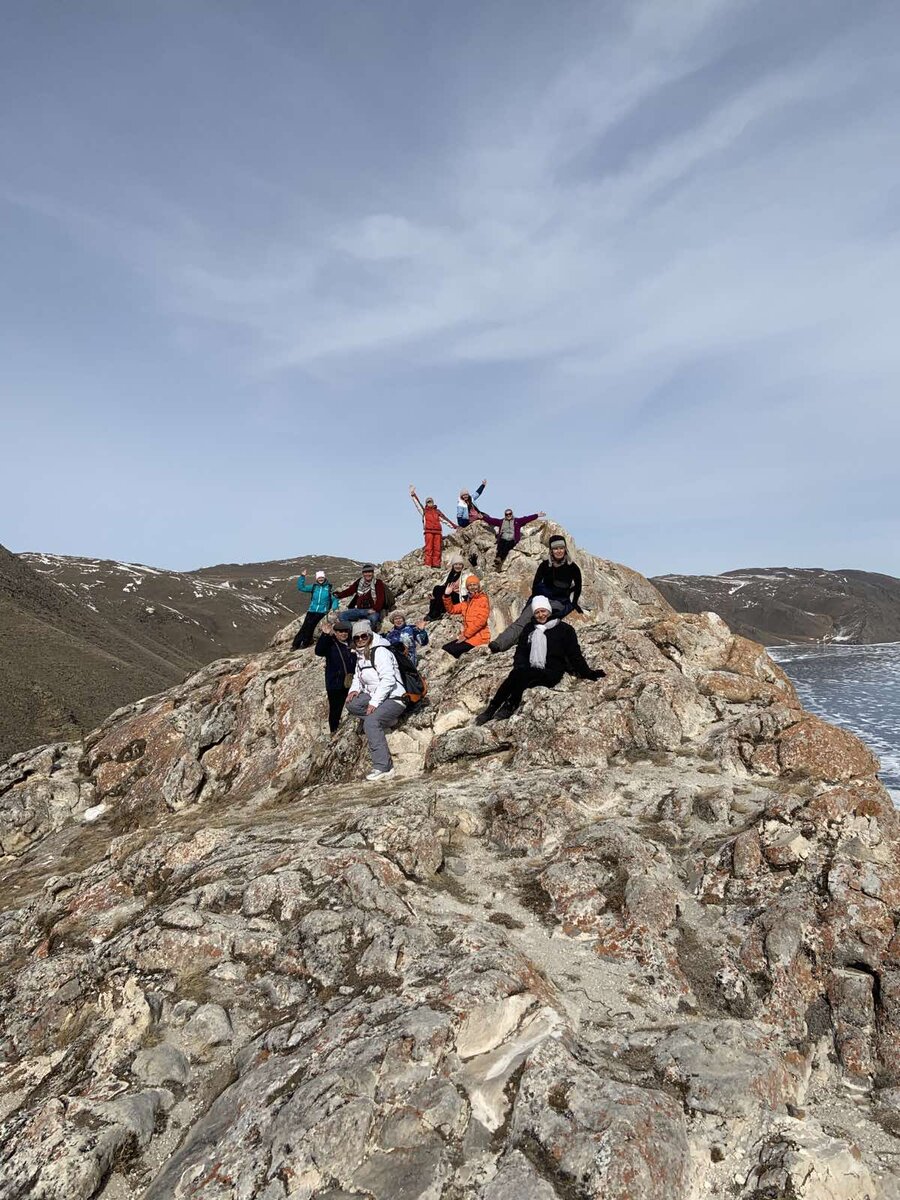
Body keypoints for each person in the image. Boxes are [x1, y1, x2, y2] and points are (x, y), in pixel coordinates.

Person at [476, 596, 604, 724]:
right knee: (515, 674)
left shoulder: (564, 629)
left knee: (524, 675)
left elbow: (574, 654)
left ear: (549, 611)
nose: (541, 615)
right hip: (530, 667)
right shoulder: (529, 628)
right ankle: (491, 709)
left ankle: (510, 704)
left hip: (551, 671)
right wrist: (519, 665)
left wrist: (588, 673)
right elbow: (521, 650)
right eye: (537, 612)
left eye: (543, 611)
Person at [489, 535, 584, 653]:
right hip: (541, 598)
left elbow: (578, 587)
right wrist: (537, 600)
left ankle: (523, 643)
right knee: (522, 621)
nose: (558, 551)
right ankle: (499, 643)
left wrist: (572, 604)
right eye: (555, 548)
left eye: (561, 548)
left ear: (565, 549)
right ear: (551, 550)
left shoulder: (573, 568)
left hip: (558, 602)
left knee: (541, 623)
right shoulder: (545, 565)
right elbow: (536, 585)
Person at [346, 622, 409, 781]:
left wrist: (374, 703)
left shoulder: (380, 651)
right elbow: (357, 676)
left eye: (364, 636)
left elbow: (388, 680)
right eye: (357, 637)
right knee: (352, 705)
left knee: (371, 723)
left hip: (394, 696)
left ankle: (384, 767)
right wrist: (354, 690)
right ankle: (387, 719)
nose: (360, 639)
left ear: (370, 635)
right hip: (375, 694)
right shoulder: (360, 654)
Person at [314, 619, 356, 734]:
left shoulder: (352, 644)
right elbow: (319, 651)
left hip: (352, 682)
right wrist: (325, 634)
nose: (343, 634)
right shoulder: (331, 643)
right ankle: (334, 730)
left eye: (345, 631)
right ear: (335, 633)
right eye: (340, 631)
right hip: (335, 683)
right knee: (335, 710)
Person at [442, 575, 491, 658]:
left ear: (478, 586)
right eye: (470, 585)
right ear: (467, 588)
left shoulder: (483, 599)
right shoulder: (466, 602)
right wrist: (447, 595)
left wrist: (465, 635)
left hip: (479, 638)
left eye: (474, 585)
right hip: (468, 638)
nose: (472, 587)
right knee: (445, 648)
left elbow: (481, 622)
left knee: (451, 651)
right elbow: (451, 610)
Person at [481, 508, 546, 570]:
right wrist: (483, 517)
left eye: (510, 514)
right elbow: (492, 520)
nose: (508, 515)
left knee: (507, 546)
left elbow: (527, 518)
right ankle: (498, 558)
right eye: (507, 514)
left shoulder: (517, 521)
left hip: (512, 539)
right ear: (505, 515)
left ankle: (500, 559)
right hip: (503, 538)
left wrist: (537, 515)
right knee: (500, 545)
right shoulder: (501, 522)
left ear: (512, 514)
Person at [410, 486, 457, 568]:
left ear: (433, 502)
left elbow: (445, 520)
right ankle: (428, 564)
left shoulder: (437, 512)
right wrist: (413, 495)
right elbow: (417, 504)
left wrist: (455, 527)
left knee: (437, 549)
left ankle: (436, 565)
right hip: (428, 532)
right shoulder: (424, 511)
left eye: (431, 502)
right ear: (426, 504)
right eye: (428, 502)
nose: (430, 503)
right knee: (429, 548)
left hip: (438, 532)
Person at [292, 568, 340, 649]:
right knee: (305, 626)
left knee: (310, 626)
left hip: (322, 611)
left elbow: (334, 599)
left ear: (324, 578)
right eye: (319, 578)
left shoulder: (328, 588)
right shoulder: (314, 587)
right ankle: (295, 644)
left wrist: (335, 608)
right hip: (312, 610)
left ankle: (306, 643)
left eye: (322, 577)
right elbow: (301, 588)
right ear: (316, 578)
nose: (320, 579)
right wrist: (302, 576)